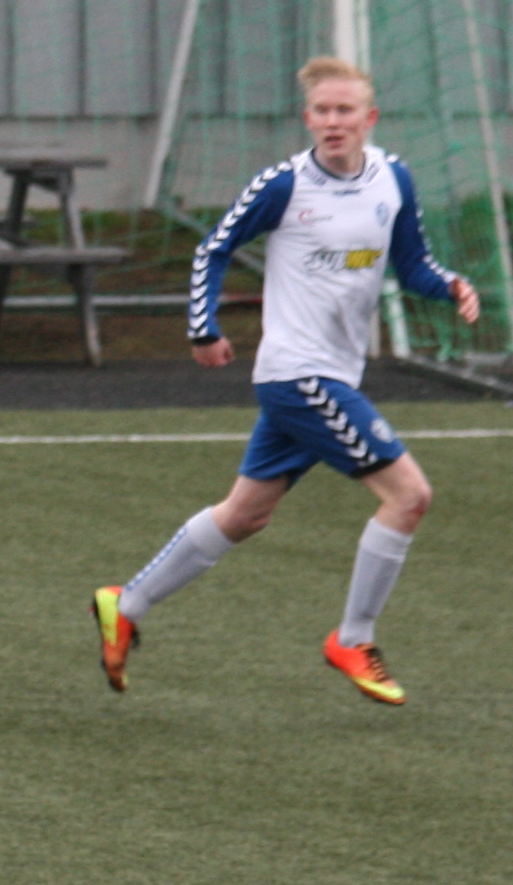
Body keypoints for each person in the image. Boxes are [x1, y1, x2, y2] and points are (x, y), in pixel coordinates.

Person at [93, 58, 483, 707]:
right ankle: (353, 638)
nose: (333, 122)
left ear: (369, 118)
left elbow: (412, 264)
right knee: (409, 496)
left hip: (326, 374)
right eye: (322, 111)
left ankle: (125, 604)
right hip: (300, 374)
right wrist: (203, 328)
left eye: (345, 110)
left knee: (245, 515)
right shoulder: (283, 185)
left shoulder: (393, 179)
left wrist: (450, 286)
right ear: (307, 119)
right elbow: (213, 248)